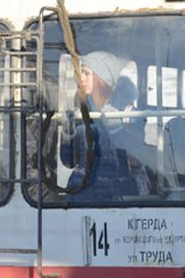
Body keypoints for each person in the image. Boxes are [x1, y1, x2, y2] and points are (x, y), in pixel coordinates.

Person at [61, 51, 151, 200]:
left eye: (86, 73)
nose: (81, 79)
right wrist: (67, 133)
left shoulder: (128, 114)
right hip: (82, 189)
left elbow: (136, 157)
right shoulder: (80, 113)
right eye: (80, 73)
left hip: (119, 191)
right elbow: (68, 161)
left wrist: (116, 130)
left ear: (102, 79)